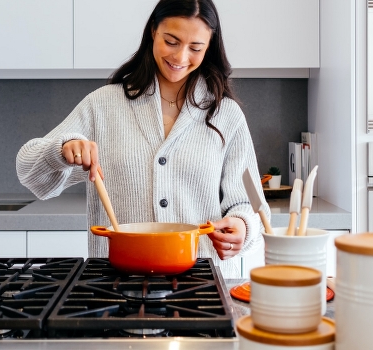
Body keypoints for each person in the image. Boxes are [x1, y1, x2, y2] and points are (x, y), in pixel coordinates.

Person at [16, 0, 268, 278]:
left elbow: (251, 205)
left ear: (209, 48)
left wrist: (243, 227)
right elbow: (29, 172)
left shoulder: (226, 114)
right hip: (116, 285)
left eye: (195, 48)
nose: (181, 57)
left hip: (205, 284)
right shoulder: (103, 105)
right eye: (171, 41)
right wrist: (62, 150)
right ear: (152, 32)